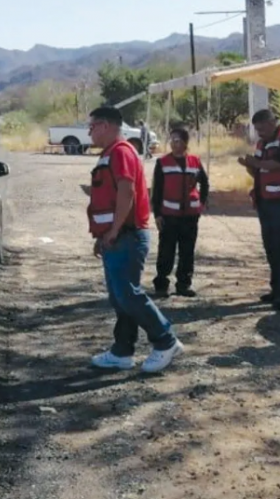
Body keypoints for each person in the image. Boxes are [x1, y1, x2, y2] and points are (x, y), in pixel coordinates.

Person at [87, 106, 185, 373]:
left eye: (92, 126)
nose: (90, 132)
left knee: (129, 294)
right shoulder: (111, 154)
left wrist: (114, 229)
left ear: (105, 126)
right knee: (120, 298)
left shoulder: (120, 152)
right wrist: (103, 234)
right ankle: (122, 351)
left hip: (127, 236)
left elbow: (126, 193)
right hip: (116, 236)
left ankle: (165, 341)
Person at [238, 110, 280, 311]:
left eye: (262, 128)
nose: (260, 132)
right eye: (257, 129)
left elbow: (278, 163)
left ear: (273, 122)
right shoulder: (261, 144)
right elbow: (257, 170)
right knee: (271, 247)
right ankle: (276, 290)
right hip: (265, 201)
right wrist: (248, 165)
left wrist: (254, 162)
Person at [152, 128, 210, 299]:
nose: (173, 143)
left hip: (190, 216)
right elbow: (157, 191)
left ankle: (184, 285)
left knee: (187, 251)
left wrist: (201, 203)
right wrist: (157, 214)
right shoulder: (163, 163)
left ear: (185, 142)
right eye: (172, 140)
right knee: (166, 251)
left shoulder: (195, 161)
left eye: (177, 140)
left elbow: (205, 184)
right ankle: (161, 285)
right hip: (169, 215)